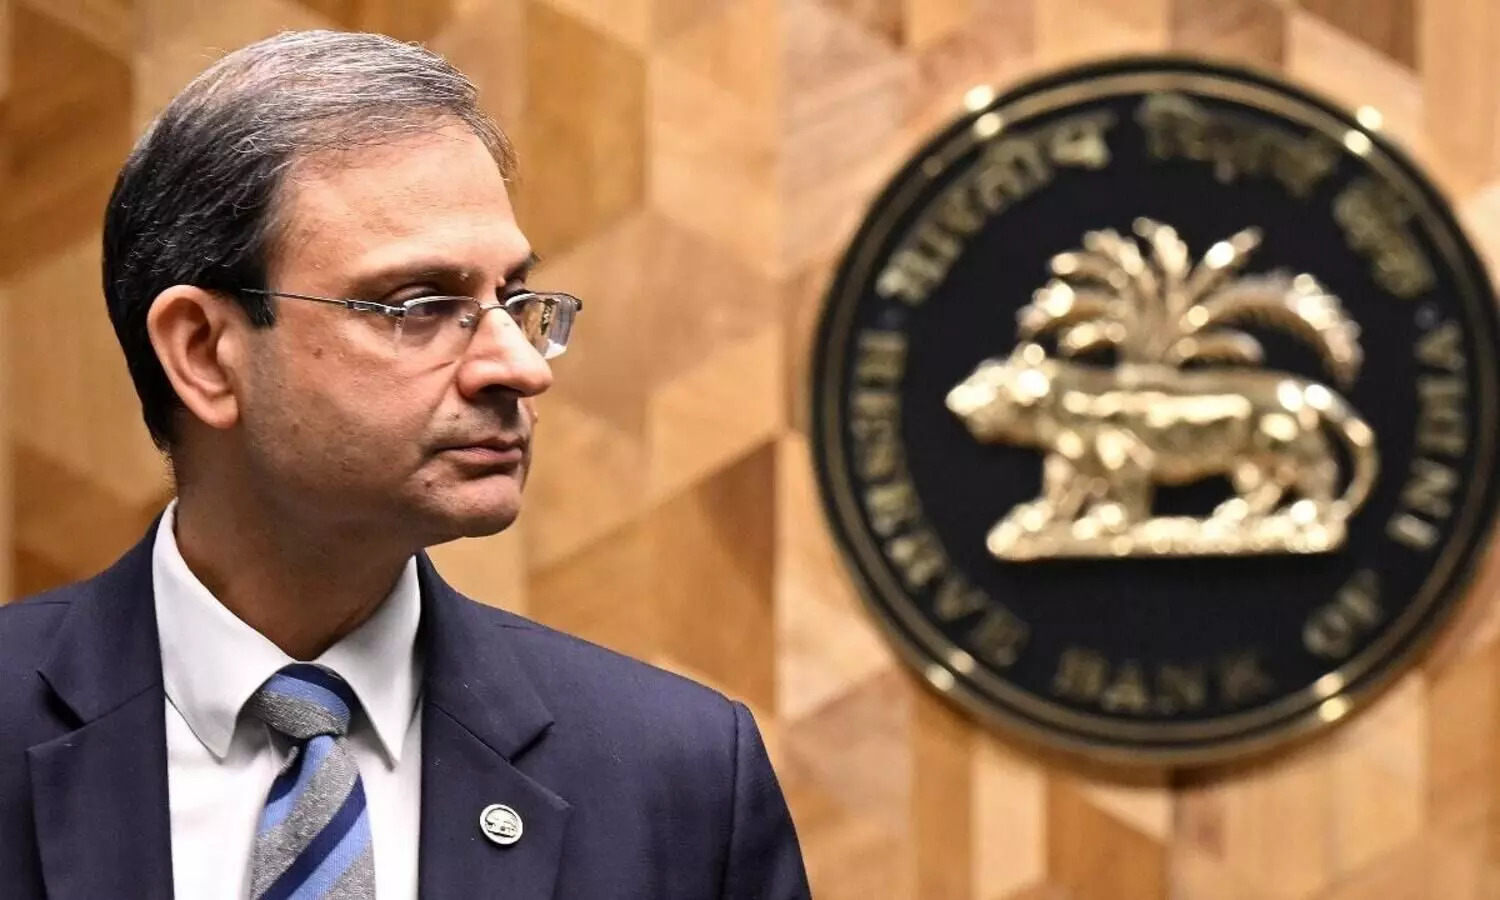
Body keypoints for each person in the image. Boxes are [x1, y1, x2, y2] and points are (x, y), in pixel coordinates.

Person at [0, 29, 810, 900]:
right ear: (203, 353)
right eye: (420, 304)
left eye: (512, 299)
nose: (520, 367)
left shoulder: (676, 776)